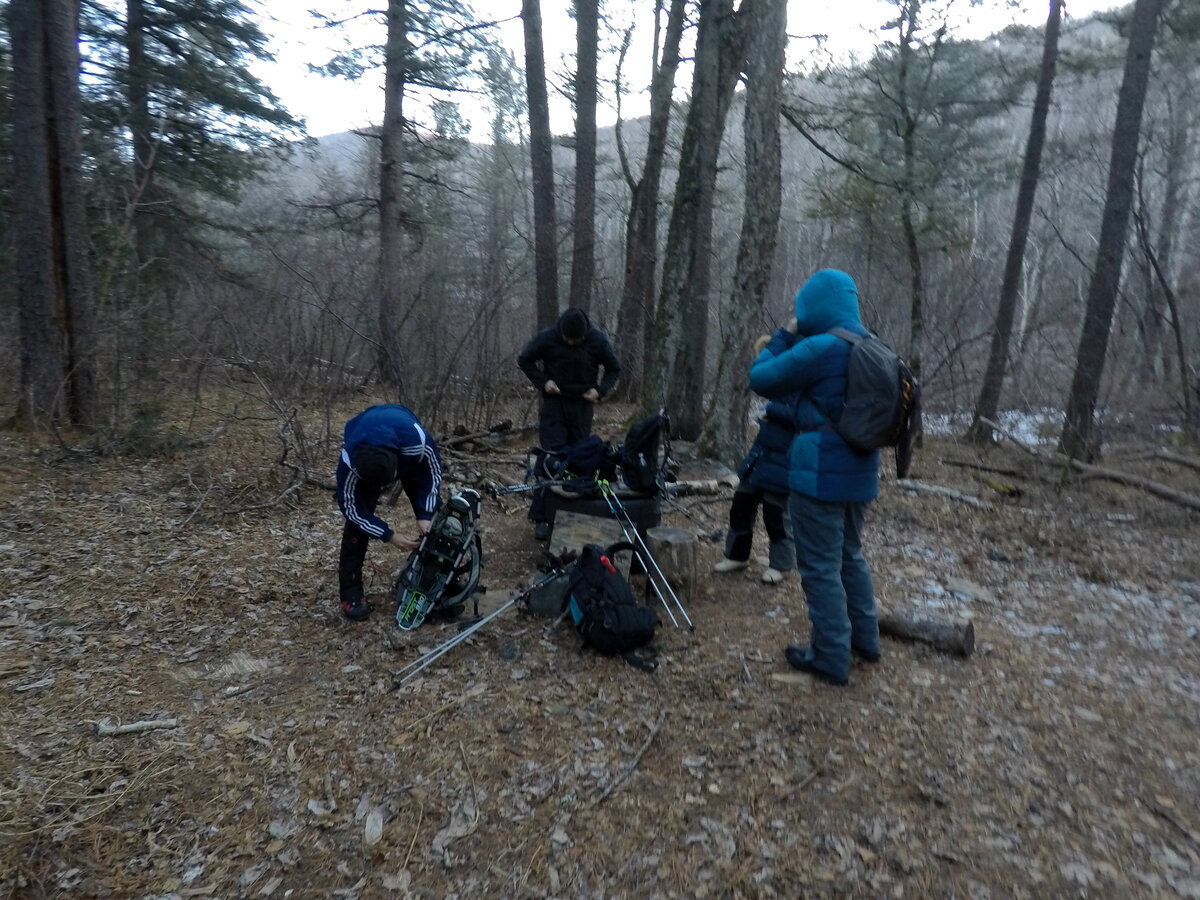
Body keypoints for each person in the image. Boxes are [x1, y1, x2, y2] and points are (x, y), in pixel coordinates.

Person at [748, 269, 881, 686]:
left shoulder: (823, 347)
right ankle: (866, 640)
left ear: (814, 306)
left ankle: (830, 656)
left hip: (819, 471)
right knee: (849, 556)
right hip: (861, 471)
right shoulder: (870, 344)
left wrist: (786, 333)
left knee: (821, 566)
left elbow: (761, 377)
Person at [517, 307, 621, 540]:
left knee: (580, 461)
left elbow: (614, 368)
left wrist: (600, 390)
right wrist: (544, 383)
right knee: (551, 460)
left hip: (582, 407)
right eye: (568, 340)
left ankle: (575, 513)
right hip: (555, 405)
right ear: (561, 333)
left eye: (577, 340)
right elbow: (524, 360)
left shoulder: (597, 340)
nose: (573, 343)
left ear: (584, 335)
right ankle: (543, 518)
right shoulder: (547, 338)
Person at [335, 404, 443, 621]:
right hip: (368, 453)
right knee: (356, 529)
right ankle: (351, 594)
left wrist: (425, 513)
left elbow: (432, 470)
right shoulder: (350, 461)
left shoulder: (417, 442)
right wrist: (388, 535)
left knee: (434, 520)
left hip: (401, 445)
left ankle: (439, 577)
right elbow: (351, 509)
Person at [713, 337, 797, 585]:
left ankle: (781, 565)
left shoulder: (802, 379)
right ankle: (736, 556)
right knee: (741, 504)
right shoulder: (778, 385)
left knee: (776, 515)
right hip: (761, 458)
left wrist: (771, 412)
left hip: (785, 461)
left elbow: (803, 416)